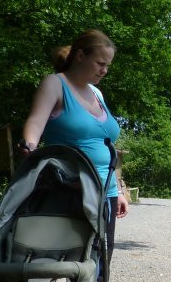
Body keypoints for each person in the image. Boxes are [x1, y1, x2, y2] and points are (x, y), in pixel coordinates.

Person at [21, 29, 129, 261]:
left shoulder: (97, 93)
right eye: (100, 63)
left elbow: (109, 148)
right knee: (67, 264)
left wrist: (119, 189)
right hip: (71, 190)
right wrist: (30, 146)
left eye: (108, 65)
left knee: (99, 265)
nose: (105, 70)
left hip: (106, 193)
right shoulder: (55, 84)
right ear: (80, 56)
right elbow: (35, 121)